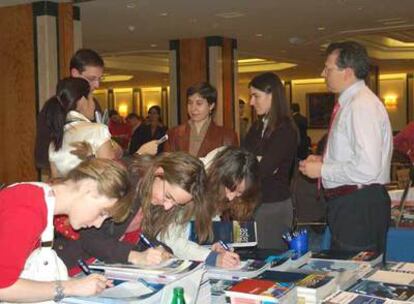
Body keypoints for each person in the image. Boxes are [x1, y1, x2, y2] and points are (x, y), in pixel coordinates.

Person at [54, 152, 240, 273]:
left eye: (175, 203)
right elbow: (90, 238)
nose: (167, 206)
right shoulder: (124, 183)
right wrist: (135, 256)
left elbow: (145, 235)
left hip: (94, 265)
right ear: (159, 173)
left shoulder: (152, 195)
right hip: (64, 260)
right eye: (168, 196)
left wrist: (164, 251)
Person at [299, 41, 393, 253]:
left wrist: (323, 170)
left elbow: (368, 167)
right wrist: (325, 162)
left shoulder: (360, 106)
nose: (323, 73)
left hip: (358, 205)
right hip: (353, 203)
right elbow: (356, 158)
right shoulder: (352, 103)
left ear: (347, 72)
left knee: (353, 273)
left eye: (328, 68)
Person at [0, 158, 131, 302]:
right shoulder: (28, 210)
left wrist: (78, 284)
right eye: (102, 213)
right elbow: (3, 288)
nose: (98, 224)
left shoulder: (41, 199)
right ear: (88, 188)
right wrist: (71, 287)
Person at [243, 72, 298, 250]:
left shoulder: (285, 128)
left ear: (272, 95)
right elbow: (240, 158)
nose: (251, 102)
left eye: (255, 96)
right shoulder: (257, 126)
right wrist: (256, 160)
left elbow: (264, 168)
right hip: (252, 204)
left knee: (270, 259)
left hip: (274, 206)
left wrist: (256, 161)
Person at [35, 48, 105, 171]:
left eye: (100, 79)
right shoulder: (54, 106)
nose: (97, 85)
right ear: (75, 74)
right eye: (92, 79)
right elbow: (43, 156)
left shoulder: (94, 104)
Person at [46, 78, 121, 178]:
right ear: (82, 101)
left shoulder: (55, 140)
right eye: (91, 98)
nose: (94, 104)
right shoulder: (98, 130)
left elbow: (55, 180)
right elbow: (110, 176)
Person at [165, 82, 238, 157]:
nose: (193, 108)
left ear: (211, 106)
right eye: (190, 103)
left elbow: (231, 166)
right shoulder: (173, 134)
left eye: (199, 103)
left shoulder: (227, 137)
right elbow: (168, 165)